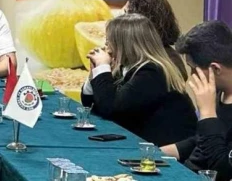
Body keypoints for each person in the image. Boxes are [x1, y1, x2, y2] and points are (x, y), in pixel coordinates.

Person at [81, 14, 196, 146]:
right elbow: (90, 105)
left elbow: (111, 107)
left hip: (166, 149)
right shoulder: (126, 67)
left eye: (109, 42)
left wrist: (102, 68)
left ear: (125, 45)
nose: (107, 49)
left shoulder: (152, 72)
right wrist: (94, 73)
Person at [159, 21, 232, 179]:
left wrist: (207, 114)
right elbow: (202, 141)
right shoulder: (219, 92)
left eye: (193, 68)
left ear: (215, 69)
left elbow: (224, 170)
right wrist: (156, 152)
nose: (192, 75)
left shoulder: (210, 101)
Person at [124, 0, 188, 79]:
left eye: (126, 14)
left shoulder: (163, 63)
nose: (119, 21)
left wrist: (105, 68)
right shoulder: (137, 54)